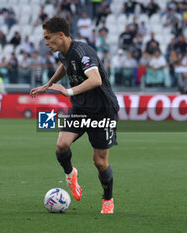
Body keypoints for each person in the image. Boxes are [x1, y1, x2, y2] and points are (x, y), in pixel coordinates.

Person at [30, 17, 119, 214]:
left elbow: (95, 80)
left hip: (102, 111)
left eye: (48, 38)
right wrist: (47, 86)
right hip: (81, 108)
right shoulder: (64, 52)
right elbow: (65, 66)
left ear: (61, 35)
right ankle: (71, 174)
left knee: (100, 162)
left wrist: (68, 92)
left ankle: (108, 199)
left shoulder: (82, 51)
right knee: (61, 145)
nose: (46, 42)